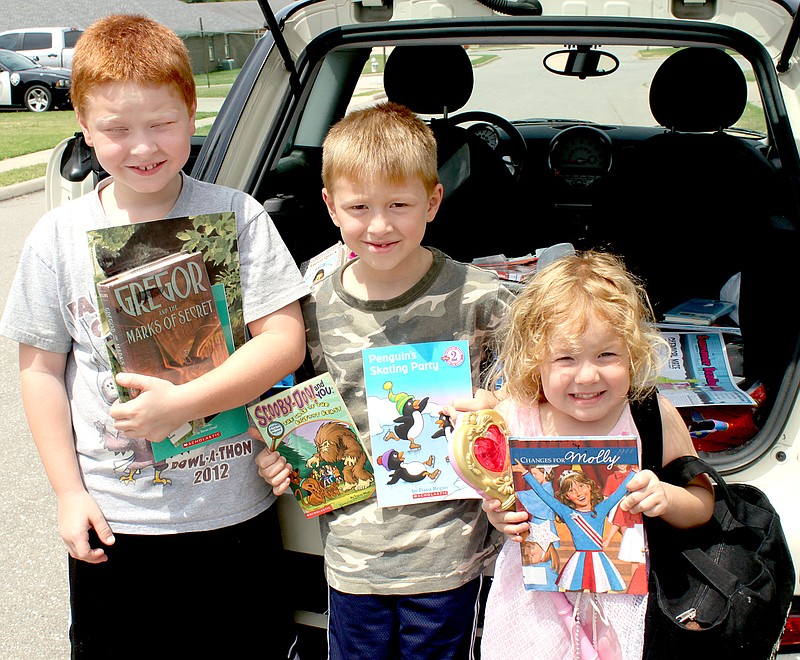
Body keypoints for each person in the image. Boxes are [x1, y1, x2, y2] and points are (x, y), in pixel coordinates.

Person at [0, 15, 309, 659]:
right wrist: (67, 493)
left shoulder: (235, 215)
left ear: (193, 112)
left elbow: (283, 340)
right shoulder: (57, 238)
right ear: (84, 129)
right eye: (115, 129)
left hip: (233, 514)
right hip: (116, 521)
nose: (143, 147)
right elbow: (39, 371)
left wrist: (183, 406)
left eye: (163, 123)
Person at [254, 101, 516, 659]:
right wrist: (275, 453)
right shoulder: (309, 310)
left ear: (434, 201)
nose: (379, 225)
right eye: (359, 206)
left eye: (399, 204)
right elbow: (288, 410)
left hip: (451, 553)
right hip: (353, 557)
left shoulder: (480, 299)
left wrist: (498, 407)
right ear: (329, 206)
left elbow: (528, 396)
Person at [478, 250, 714, 660]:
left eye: (606, 355)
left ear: (633, 353)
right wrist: (498, 516)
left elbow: (703, 504)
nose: (587, 376)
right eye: (566, 358)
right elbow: (498, 499)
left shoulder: (651, 416)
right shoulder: (514, 417)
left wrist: (666, 498)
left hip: (626, 615)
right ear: (537, 360)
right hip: (533, 616)